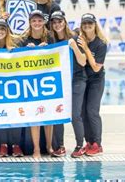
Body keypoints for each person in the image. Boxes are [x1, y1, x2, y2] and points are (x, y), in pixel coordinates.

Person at [48, 11, 87, 157]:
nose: (57, 24)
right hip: (60, 81)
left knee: (75, 114)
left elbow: (83, 61)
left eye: (60, 21)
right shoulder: (51, 40)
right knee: (59, 113)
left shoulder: (75, 38)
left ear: (65, 22)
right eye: (54, 22)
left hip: (77, 80)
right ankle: (60, 146)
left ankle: (79, 145)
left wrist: (74, 47)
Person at [0, 18, 24, 157]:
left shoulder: (17, 44)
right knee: (0, 114)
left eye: (3, 29)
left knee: (15, 115)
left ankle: (16, 145)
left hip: (14, 86)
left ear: (7, 31)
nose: (0, 32)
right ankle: (3, 145)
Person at [22, 9, 54, 158]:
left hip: (47, 81)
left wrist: (46, 50)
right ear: (30, 22)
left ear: (44, 22)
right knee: (35, 116)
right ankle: (36, 149)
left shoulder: (50, 38)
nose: (37, 23)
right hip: (31, 83)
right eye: (34, 20)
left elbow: (57, 56)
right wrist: (26, 51)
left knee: (49, 115)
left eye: (39, 20)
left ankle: (49, 146)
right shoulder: (24, 40)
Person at [78, 13, 108, 157]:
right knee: (83, 112)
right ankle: (89, 142)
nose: (87, 26)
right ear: (81, 26)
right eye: (85, 24)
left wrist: (86, 48)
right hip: (83, 80)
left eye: (90, 23)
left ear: (95, 25)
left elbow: (96, 67)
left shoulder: (101, 44)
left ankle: (97, 143)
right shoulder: (79, 40)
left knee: (92, 111)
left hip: (96, 80)